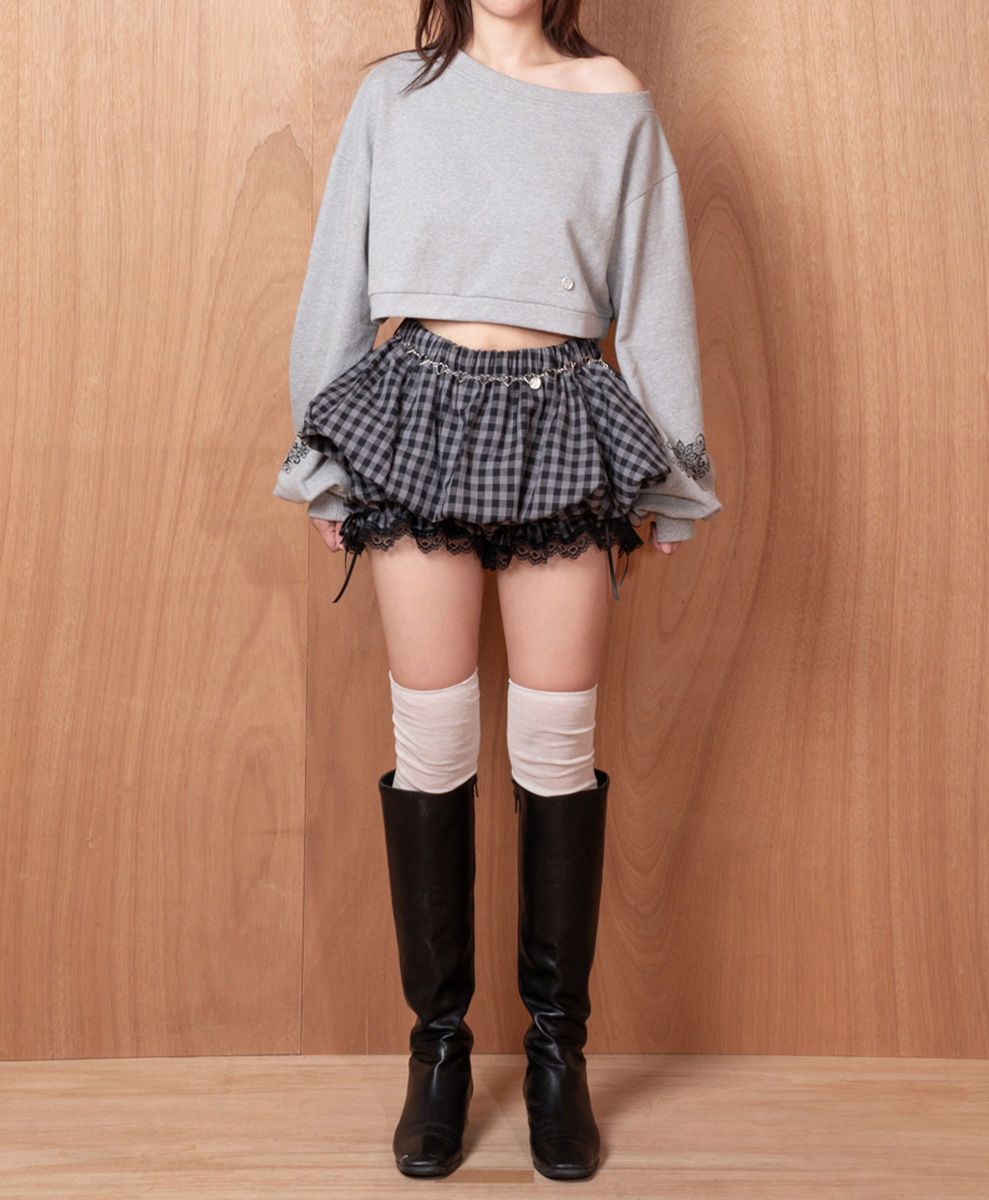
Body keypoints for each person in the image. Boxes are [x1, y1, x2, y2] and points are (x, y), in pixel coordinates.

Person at [273, 0, 723, 1182]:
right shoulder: (393, 95)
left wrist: (675, 477)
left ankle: (558, 1056)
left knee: (555, 744)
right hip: (415, 408)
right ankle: (437, 1053)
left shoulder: (614, 101)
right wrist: (319, 457)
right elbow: (337, 274)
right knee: (430, 742)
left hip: (563, 413)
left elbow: (656, 292)